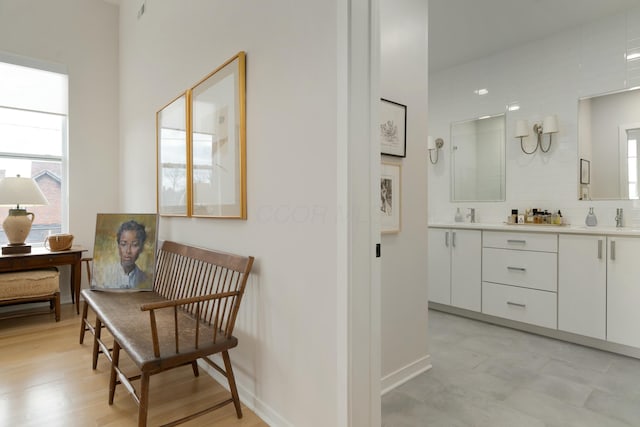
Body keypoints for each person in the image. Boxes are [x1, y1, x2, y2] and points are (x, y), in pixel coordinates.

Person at [100, 220, 150, 289]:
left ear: (141, 248)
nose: (128, 251)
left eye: (134, 245)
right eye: (123, 244)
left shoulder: (144, 279)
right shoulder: (105, 274)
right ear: (118, 246)